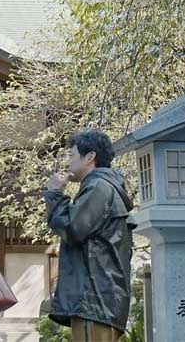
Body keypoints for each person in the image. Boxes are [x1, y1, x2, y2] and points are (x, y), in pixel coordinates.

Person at [44, 130, 135, 342]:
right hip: (102, 299)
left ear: (90, 157)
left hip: (95, 299)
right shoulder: (104, 187)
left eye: (71, 155)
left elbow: (71, 228)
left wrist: (55, 194)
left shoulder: (98, 188)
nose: (68, 161)